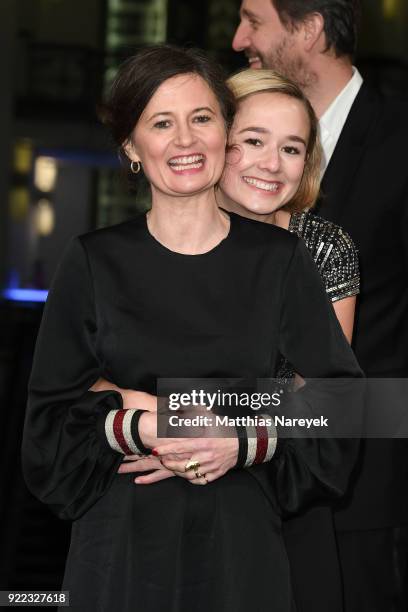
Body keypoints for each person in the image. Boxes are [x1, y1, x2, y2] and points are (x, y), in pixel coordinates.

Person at [22, 45, 362, 612]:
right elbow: (46, 428)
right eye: (161, 122)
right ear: (132, 146)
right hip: (119, 548)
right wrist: (138, 427)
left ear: (223, 131)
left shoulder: (281, 261)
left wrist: (236, 438)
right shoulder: (92, 261)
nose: (184, 140)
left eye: (201, 118)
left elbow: (346, 404)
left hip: (241, 545)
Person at [232, 2, 408, 611]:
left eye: (253, 19)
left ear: (307, 29)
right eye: (252, 141)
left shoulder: (399, 141)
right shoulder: (169, 236)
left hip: (359, 484)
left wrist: (190, 407)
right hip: (200, 495)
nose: (237, 38)